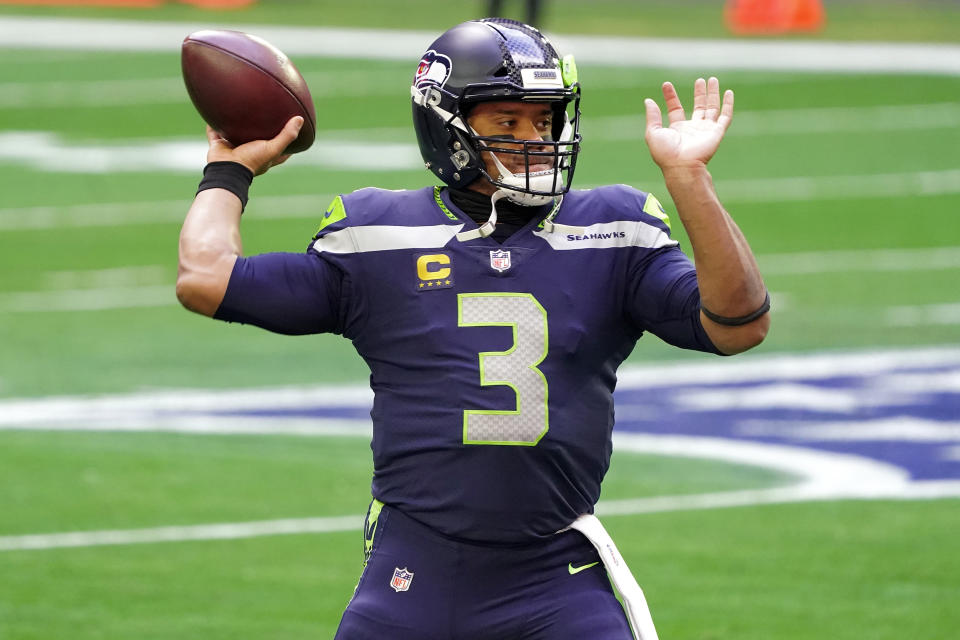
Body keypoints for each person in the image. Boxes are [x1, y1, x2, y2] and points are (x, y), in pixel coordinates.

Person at [177, 18, 769, 640]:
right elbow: (205, 277)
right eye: (507, 123)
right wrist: (229, 169)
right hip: (414, 571)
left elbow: (737, 322)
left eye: (543, 121)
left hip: (555, 575)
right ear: (449, 128)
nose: (533, 139)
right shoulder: (377, 236)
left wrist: (689, 181)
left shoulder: (613, 229)